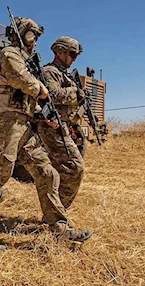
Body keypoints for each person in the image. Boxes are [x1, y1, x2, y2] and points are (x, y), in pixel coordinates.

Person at [0, 18, 92, 250]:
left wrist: (43, 114)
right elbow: (22, 80)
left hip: (24, 126)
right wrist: (42, 89)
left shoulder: (24, 59)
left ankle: (59, 229)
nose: (36, 42)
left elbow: (27, 99)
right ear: (21, 34)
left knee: (47, 174)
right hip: (6, 125)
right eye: (33, 36)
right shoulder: (9, 55)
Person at [38, 36, 86, 210]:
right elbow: (52, 93)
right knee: (75, 169)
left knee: (64, 172)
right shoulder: (50, 71)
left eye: (75, 56)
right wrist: (76, 92)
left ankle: (56, 214)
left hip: (67, 127)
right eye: (71, 54)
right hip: (54, 127)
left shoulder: (65, 75)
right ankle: (58, 213)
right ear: (59, 52)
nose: (73, 59)